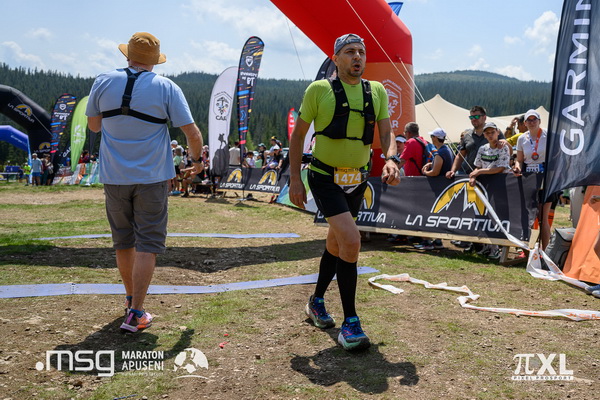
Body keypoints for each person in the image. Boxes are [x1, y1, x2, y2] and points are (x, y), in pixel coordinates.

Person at [289, 33, 400, 351]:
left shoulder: (376, 91)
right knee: (351, 241)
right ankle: (351, 323)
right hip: (324, 177)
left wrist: (391, 159)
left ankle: (316, 301)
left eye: (361, 52)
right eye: (350, 51)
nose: (358, 57)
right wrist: (295, 179)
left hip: (358, 180)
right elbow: (298, 136)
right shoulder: (319, 90)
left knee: (336, 244)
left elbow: (386, 132)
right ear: (335, 58)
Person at [86, 32, 203, 333]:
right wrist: (197, 161)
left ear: (128, 55)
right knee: (147, 244)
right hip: (152, 178)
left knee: (123, 241)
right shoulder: (166, 87)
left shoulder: (102, 80)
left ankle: (130, 301)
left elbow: (94, 126)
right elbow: (192, 133)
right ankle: (136, 312)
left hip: (114, 176)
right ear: (154, 61)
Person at [469, 122, 512, 259]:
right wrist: (473, 176)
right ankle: (488, 247)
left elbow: (500, 168)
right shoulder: (482, 148)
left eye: (492, 132)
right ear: (484, 135)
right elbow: (477, 166)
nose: (490, 135)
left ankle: (498, 248)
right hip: (485, 186)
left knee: (499, 217)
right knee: (484, 216)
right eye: (487, 133)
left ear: (497, 132)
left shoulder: (503, 147)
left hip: (501, 186)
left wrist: (479, 172)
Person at [512, 109, 554, 250]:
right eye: (528, 120)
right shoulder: (522, 138)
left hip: (545, 177)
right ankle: (526, 249)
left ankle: (545, 251)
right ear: (524, 123)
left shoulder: (549, 135)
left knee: (543, 217)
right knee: (528, 215)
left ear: (539, 121)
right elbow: (519, 160)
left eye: (534, 119)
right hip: (528, 178)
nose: (531, 122)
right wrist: (517, 168)